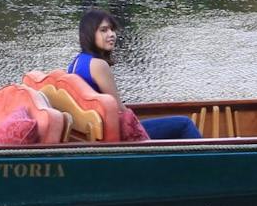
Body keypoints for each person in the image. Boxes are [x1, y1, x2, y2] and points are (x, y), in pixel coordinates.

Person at [70, 9, 203, 140]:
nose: (111, 34)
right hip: (115, 135)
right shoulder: (98, 65)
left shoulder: (77, 62)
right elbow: (120, 110)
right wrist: (139, 129)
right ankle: (210, 161)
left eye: (112, 29)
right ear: (89, 34)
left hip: (99, 131)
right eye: (104, 30)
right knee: (184, 124)